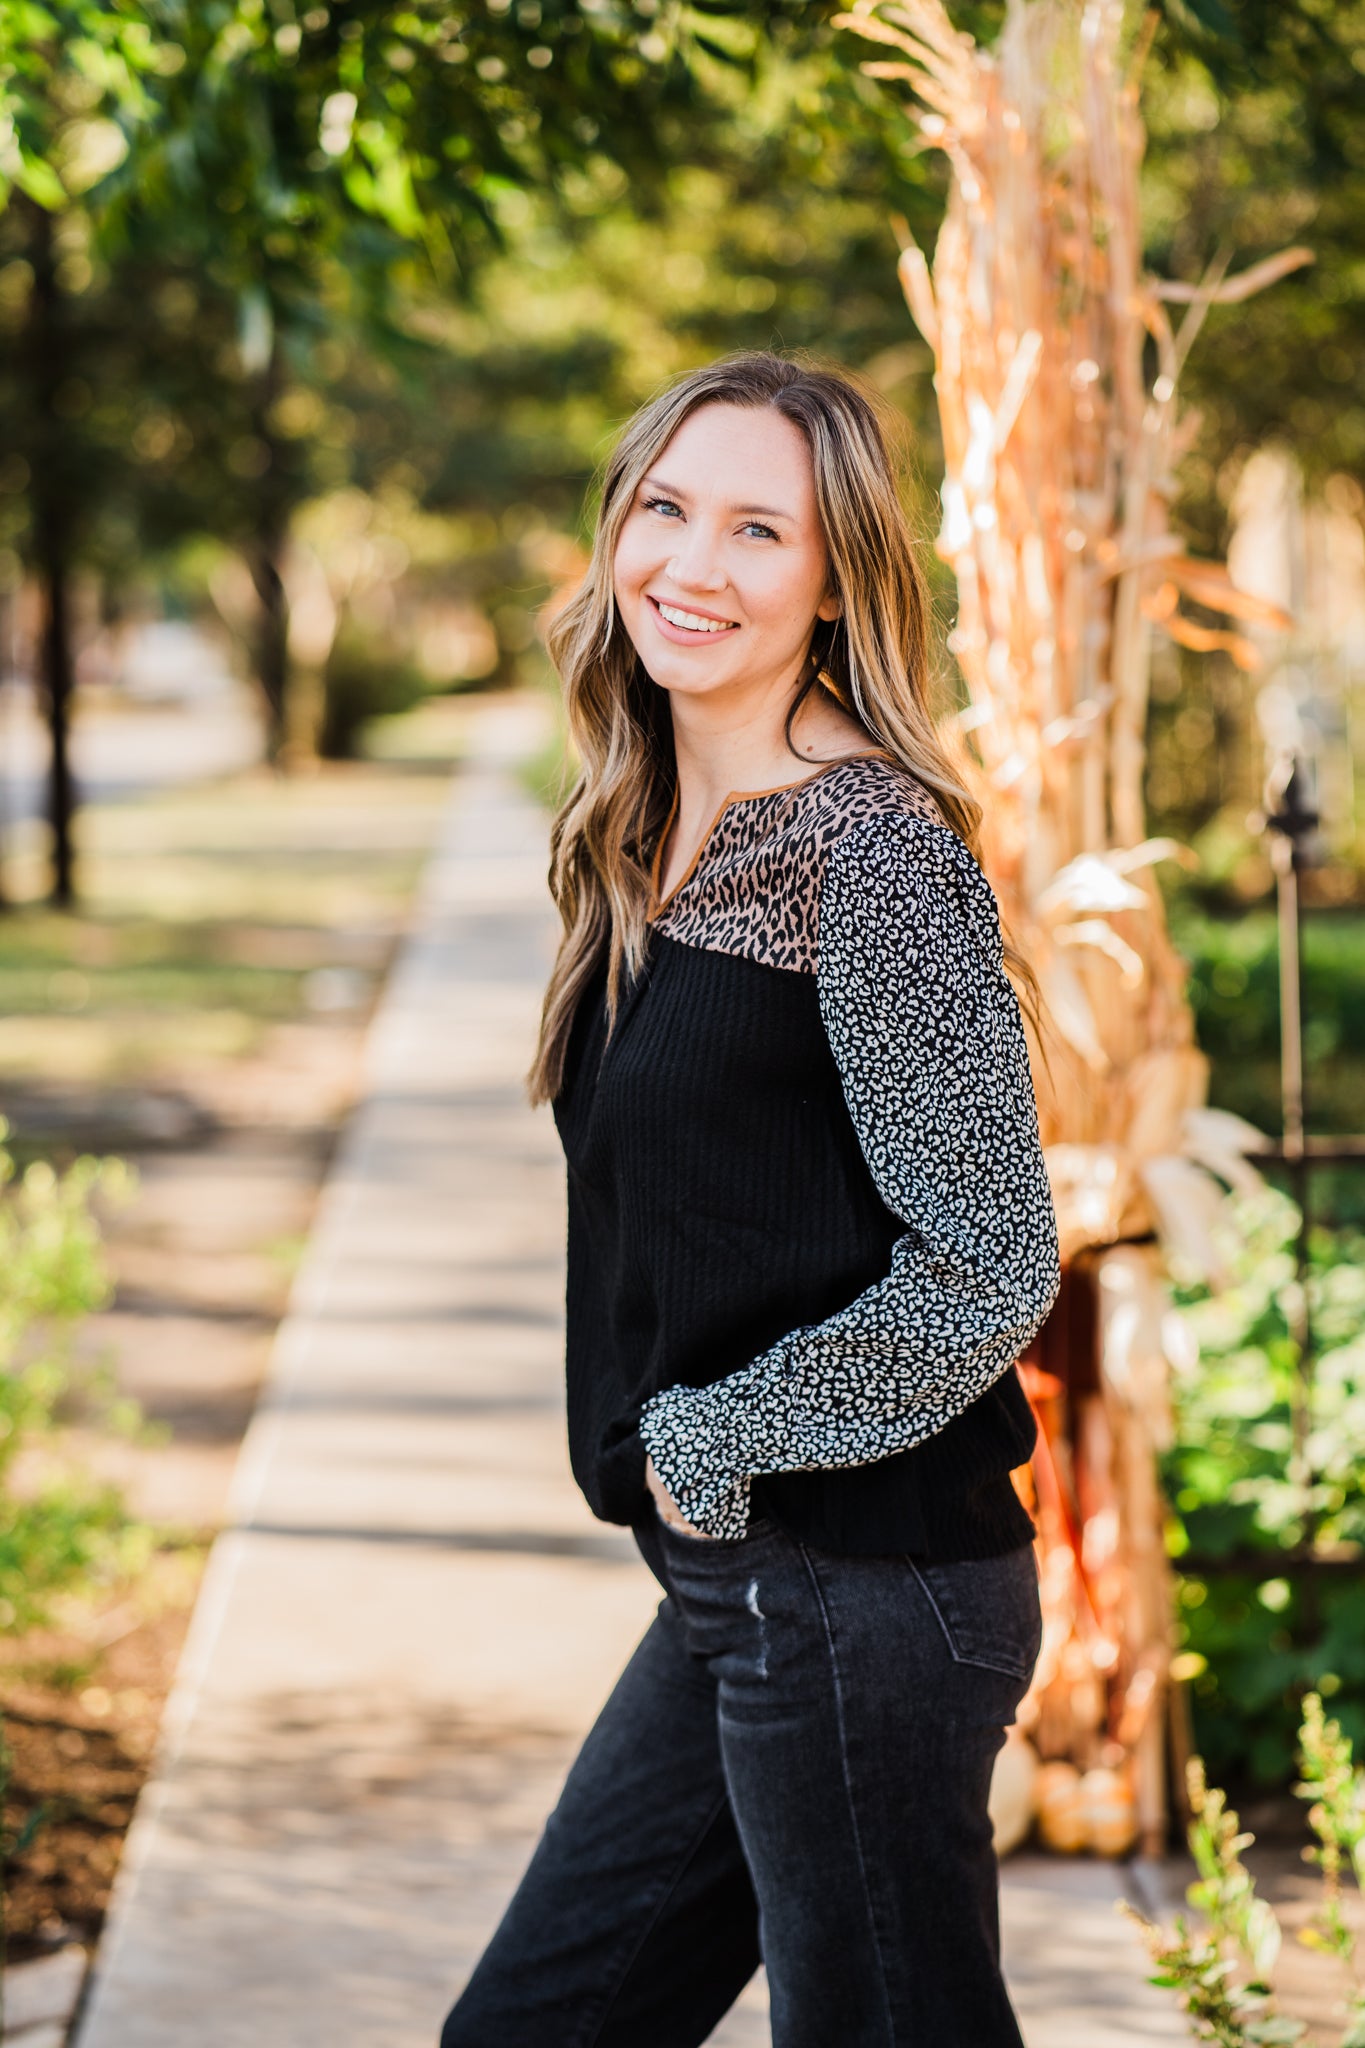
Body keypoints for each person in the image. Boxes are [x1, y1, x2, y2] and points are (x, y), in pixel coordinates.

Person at [440, 351, 1061, 2048]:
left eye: (756, 532)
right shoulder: (650, 817)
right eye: (664, 509)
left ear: (835, 583)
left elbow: (991, 1259)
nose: (691, 568)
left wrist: (717, 1443)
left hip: (866, 1582)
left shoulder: (874, 853)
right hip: (748, 1583)